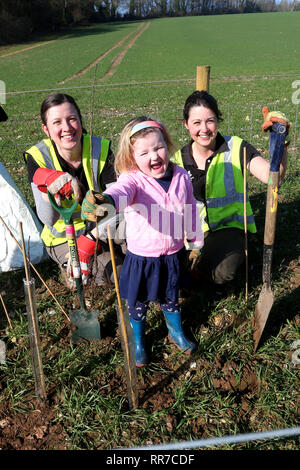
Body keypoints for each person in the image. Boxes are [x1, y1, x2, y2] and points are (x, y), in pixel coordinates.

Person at [81, 117, 204, 366]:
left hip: (172, 253)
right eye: (144, 152)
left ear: (166, 145)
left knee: (171, 297)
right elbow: (120, 192)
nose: (154, 156)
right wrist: (105, 201)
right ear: (132, 157)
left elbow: (190, 206)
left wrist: (194, 237)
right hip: (142, 257)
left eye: (158, 147)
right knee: (137, 302)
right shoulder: (133, 180)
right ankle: (138, 340)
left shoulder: (180, 175)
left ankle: (176, 332)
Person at [172, 90, 290, 292]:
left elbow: (273, 179)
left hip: (229, 228)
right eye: (196, 123)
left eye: (210, 121)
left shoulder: (236, 147)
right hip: (192, 233)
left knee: (224, 271)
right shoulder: (178, 160)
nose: (204, 129)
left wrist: (282, 140)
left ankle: (199, 275)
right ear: (186, 124)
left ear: (218, 120)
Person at [24, 93, 124, 291]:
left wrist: (91, 237)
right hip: (63, 237)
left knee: (138, 246)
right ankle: (68, 266)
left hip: (101, 228)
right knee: (114, 274)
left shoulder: (101, 148)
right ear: (46, 129)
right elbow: (48, 218)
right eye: (57, 122)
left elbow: (118, 199)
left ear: (80, 119)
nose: (67, 128)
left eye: (72, 119)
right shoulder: (38, 156)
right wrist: (47, 188)